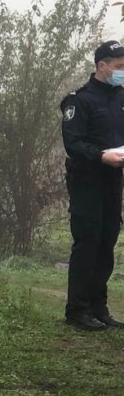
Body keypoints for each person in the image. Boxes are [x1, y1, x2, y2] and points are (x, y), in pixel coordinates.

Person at [61, 40, 124, 331]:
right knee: (88, 242)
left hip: (113, 180)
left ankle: (99, 308)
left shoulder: (120, 97)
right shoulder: (79, 100)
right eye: (119, 67)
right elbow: (73, 143)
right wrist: (101, 156)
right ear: (102, 66)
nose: (123, 72)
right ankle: (77, 310)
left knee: (107, 242)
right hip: (87, 180)